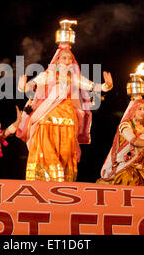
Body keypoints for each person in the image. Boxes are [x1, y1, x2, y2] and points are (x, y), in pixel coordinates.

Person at [17, 43, 113, 182]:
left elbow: (92, 86)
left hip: (68, 113)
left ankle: (62, 172)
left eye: (69, 58)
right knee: (42, 124)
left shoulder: (74, 77)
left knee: (67, 134)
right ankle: (47, 169)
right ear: (57, 61)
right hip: (48, 111)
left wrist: (106, 86)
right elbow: (30, 85)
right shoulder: (48, 75)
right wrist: (22, 86)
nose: (67, 61)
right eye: (64, 58)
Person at [98, 98, 144, 186]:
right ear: (133, 110)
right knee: (128, 180)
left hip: (142, 168)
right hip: (125, 166)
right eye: (139, 109)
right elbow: (134, 141)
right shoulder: (125, 126)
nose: (143, 112)